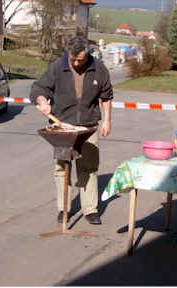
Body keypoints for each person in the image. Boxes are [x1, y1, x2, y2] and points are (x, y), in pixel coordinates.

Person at [30, 36, 113, 225]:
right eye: (73, 59)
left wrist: (107, 120)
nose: (76, 63)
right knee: (62, 168)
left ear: (88, 54)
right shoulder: (58, 67)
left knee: (89, 168)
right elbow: (39, 88)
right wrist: (42, 102)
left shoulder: (99, 69)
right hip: (63, 128)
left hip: (88, 127)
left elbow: (106, 96)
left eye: (81, 60)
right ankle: (64, 208)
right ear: (69, 54)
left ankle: (90, 209)